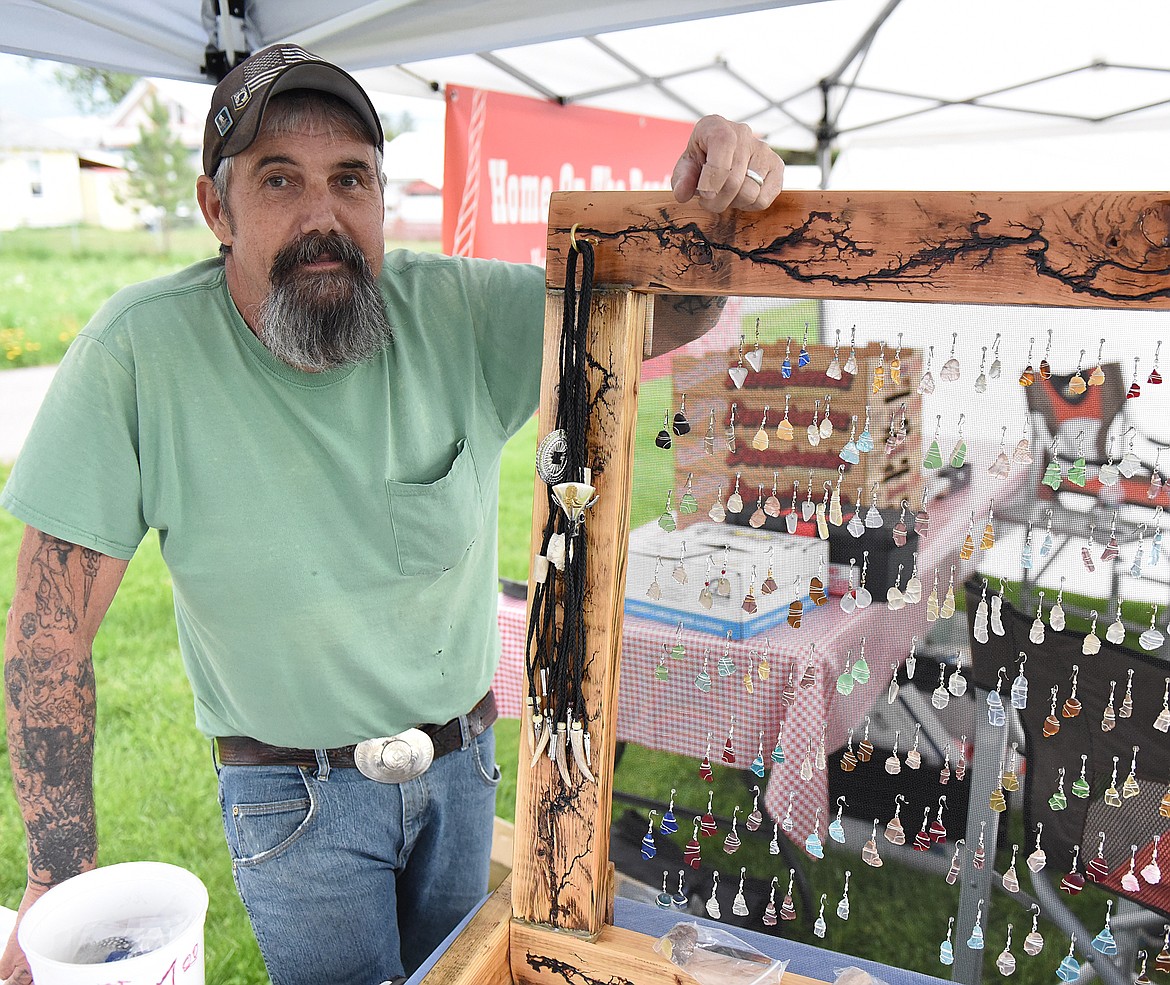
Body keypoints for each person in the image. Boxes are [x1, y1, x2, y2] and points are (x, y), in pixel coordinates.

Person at [0, 43, 782, 985]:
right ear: (217, 208)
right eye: (279, 179)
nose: (322, 217)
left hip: (462, 764)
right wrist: (55, 873)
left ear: (381, 194)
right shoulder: (137, 357)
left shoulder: (454, 311)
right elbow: (48, 634)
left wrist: (716, 200)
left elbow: (668, 318)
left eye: (351, 178)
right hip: (290, 798)